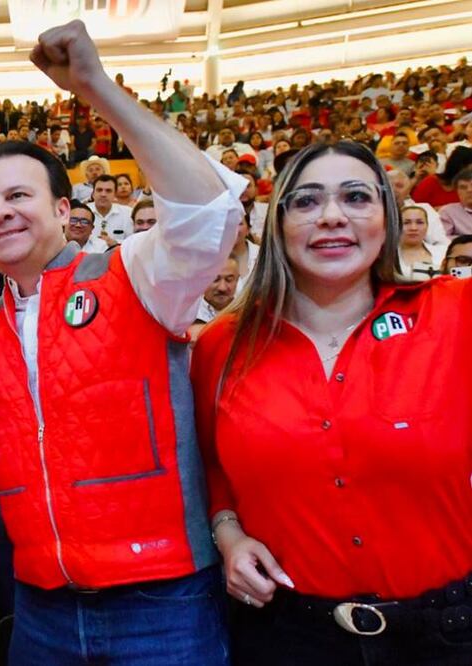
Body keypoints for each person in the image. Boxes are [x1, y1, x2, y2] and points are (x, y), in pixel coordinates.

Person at [0, 20, 245, 665]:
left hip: (162, 602)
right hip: (41, 606)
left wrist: (96, 87)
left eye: (17, 196)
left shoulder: (135, 275)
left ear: (66, 211)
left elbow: (211, 213)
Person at [192, 139, 472, 665]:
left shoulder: (454, 315)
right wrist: (227, 535)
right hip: (286, 631)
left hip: (447, 634)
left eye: (357, 197)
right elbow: (212, 464)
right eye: (306, 201)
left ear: (386, 219)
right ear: (276, 225)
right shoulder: (221, 346)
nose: (331, 217)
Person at [398, 205, 445, 280]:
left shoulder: (443, 252)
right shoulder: (386, 256)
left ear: (427, 226)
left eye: (420, 223)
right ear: (397, 226)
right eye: (406, 223)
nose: (413, 228)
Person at [438, 167, 472, 236]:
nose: (469, 190)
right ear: (457, 192)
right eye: (463, 187)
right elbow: (442, 239)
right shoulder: (448, 212)